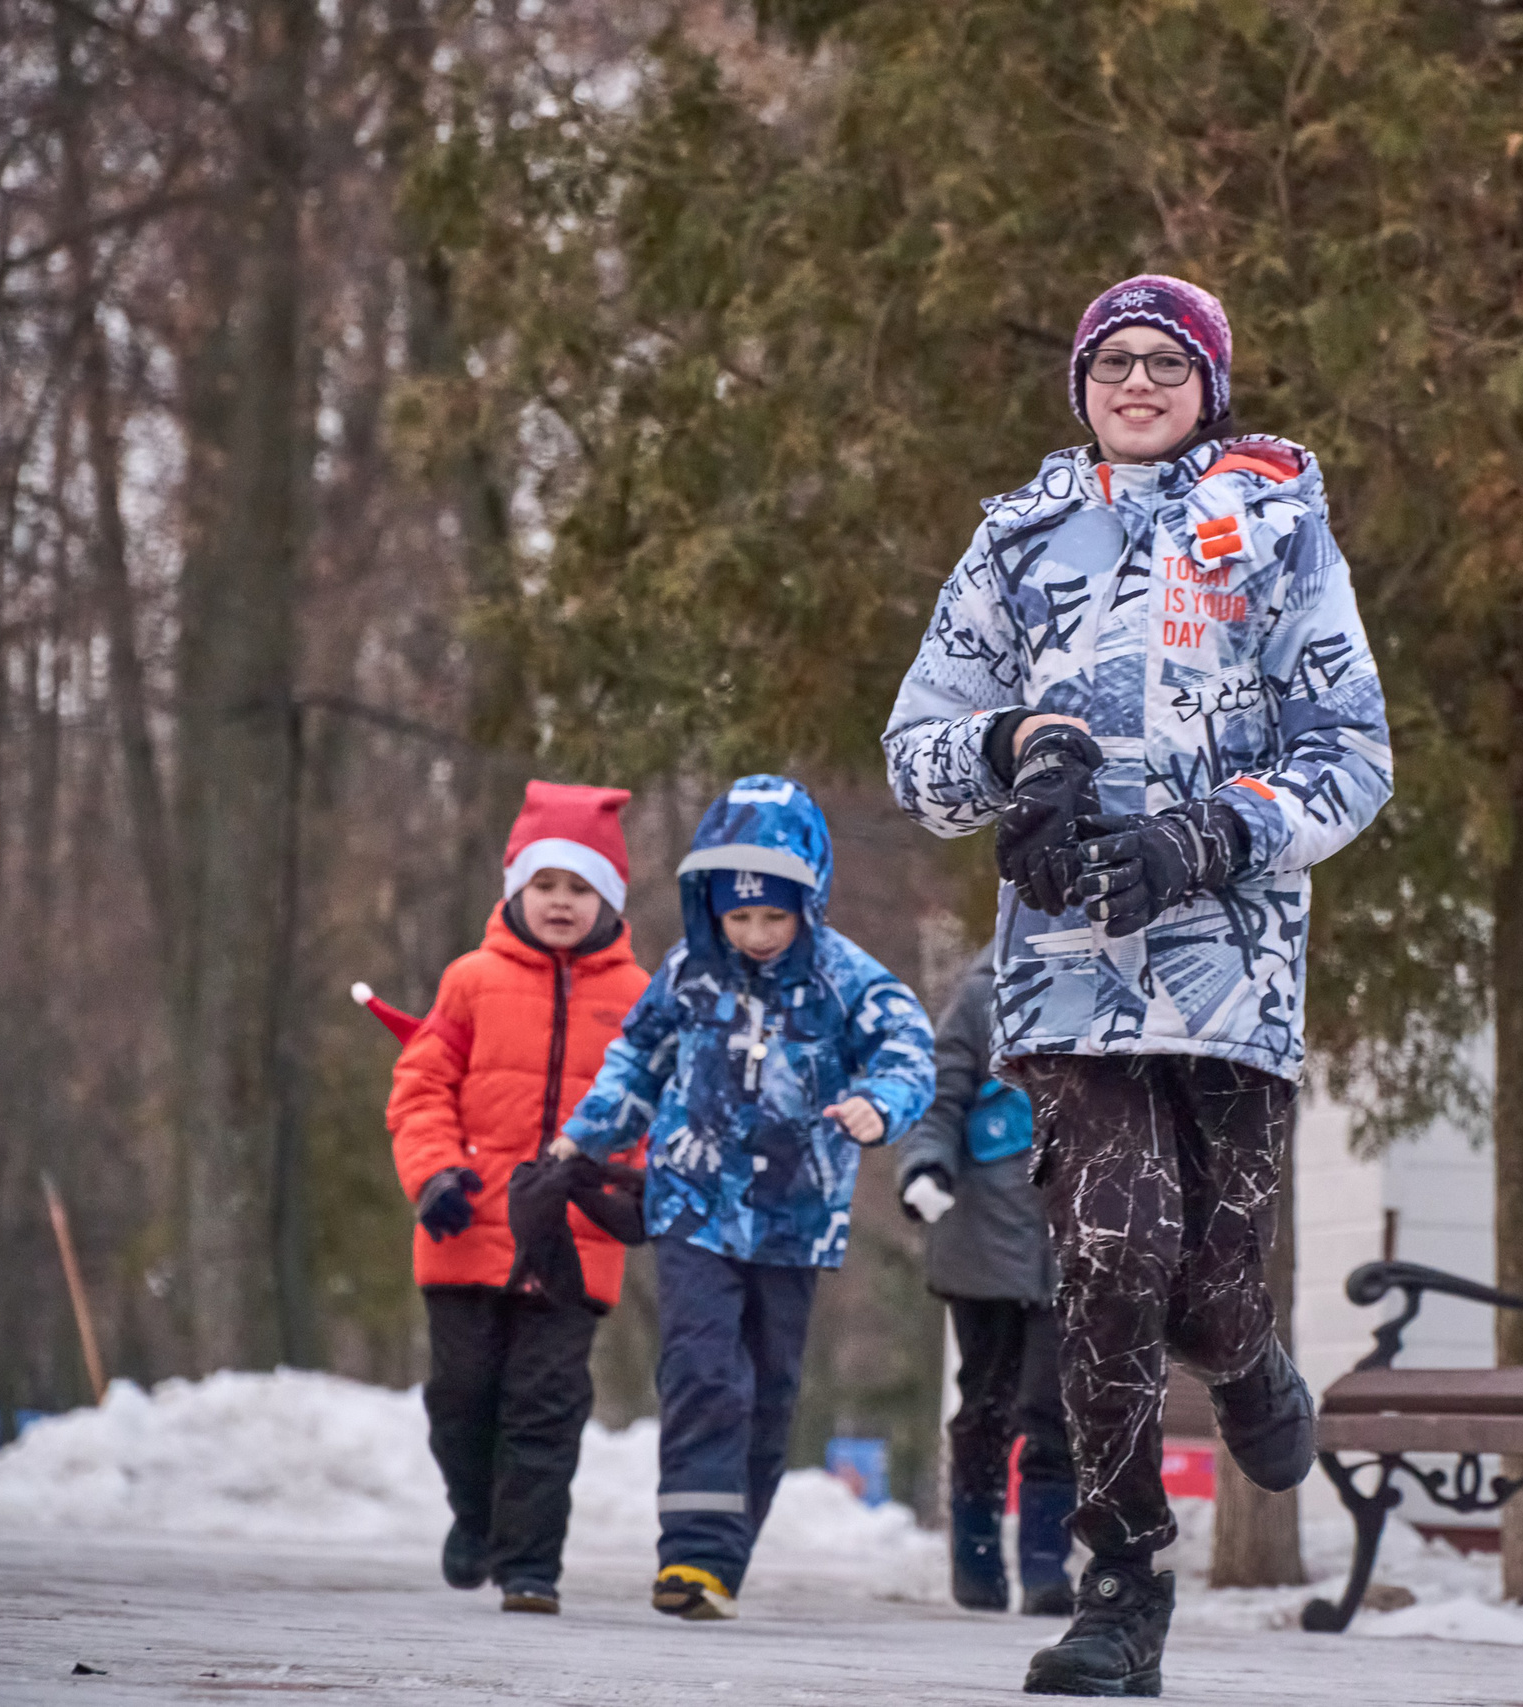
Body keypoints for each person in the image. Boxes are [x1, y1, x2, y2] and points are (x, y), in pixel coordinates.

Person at [883, 274, 1393, 1695]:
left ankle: (1250, 1358)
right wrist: (1019, 750)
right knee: (1110, 1254)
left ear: (1211, 383)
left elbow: (1353, 753)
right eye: (1113, 359)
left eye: (1169, 360)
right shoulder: (1019, 536)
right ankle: (1120, 1588)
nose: (1139, 380)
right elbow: (917, 741)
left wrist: (1213, 829)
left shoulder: (1280, 532)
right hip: (1065, 981)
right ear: (1081, 383)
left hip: (1232, 979)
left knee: (1212, 1283)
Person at [555, 775, 935, 1623]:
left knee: (766, 1386)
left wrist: (879, 1106)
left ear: (808, 900)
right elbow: (636, 1058)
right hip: (693, 1197)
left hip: (797, 1219)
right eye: (740, 917)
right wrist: (583, 1135)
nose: (757, 934)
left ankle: (727, 1553)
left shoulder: (847, 979)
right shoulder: (690, 972)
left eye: (775, 916)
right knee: (700, 1369)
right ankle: (691, 1556)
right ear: (711, 906)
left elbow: (909, 1051)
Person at [387, 780, 650, 1616]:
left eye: (580, 888)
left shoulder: (639, 997)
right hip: (465, 1230)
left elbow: (652, 1107)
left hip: (572, 1241)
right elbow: (419, 1085)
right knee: (461, 1396)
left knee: (547, 1404)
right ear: (516, 890)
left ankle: (532, 1562)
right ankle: (475, 1516)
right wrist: (432, 1174)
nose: (561, 903)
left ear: (608, 897)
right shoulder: (469, 979)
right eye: (546, 885)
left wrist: (628, 1184)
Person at [896, 951, 1075, 1618]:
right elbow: (938, 1100)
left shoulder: (1113, 981)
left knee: (1055, 1406)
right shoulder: (979, 996)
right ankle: (975, 1556)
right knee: (986, 1402)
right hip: (982, 1233)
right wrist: (926, 1167)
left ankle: (1046, 1565)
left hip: (1073, 1236)